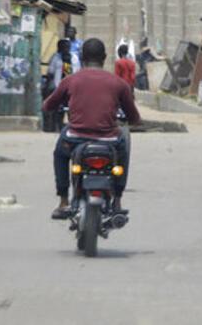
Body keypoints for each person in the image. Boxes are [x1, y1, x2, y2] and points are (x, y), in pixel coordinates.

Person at [43, 39, 140, 218]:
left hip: (75, 137)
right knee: (123, 152)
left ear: (81, 57)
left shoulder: (70, 80)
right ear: (104, 58)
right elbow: (134, 117)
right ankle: (117, 198)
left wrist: (54, 107)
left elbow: (48, 105)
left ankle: (64, 199)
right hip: (109, 139)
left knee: (60, 154)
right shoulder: (119, 84)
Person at [47, 39, 80, 131]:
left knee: (71, 109)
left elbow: (77, 71)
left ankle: (71, 128)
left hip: (70, 88)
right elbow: (51, 72)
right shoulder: (56, 58)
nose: (65, 48)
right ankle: (57, 127)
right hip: (58, 88)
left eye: (67, 46)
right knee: (58, 109)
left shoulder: (74, 58)